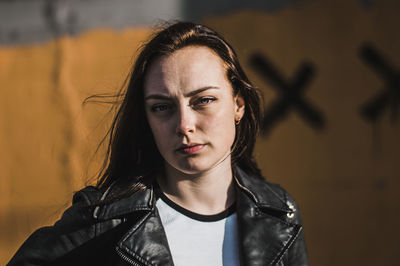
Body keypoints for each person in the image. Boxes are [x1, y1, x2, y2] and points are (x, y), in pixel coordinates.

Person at [8, 21, 308, 266]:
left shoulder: (279, 214)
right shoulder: (105, 220)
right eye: (161, 107)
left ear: (238, 105)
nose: (184, 125)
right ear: (146, 118)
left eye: (203, 100)